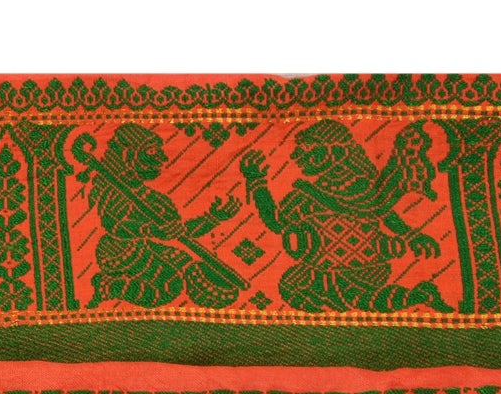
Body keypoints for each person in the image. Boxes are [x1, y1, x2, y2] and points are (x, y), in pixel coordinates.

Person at [241, 119, 448, 312]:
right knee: (291, 287)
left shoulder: (361, 187)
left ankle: (419, 296)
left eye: (307, 148)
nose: (296, 156)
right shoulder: (305, 194)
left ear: (335, 151)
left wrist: (411, 235)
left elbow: (381, 210)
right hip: (322, 268)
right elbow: (278, 222)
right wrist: (257, 181)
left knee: (356, 298)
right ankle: (417, 296)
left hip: (365, 267)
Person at [84, 124, 243, 308]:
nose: (163, 158)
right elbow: (115, 225)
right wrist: (151, 230)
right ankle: (109, 286)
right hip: (118, 251)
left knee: (187, 263)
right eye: (151, 151)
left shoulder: (156, 200)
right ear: (128, 155)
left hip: (145, 246)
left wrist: (212, 219)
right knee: (169, 286)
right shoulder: (115, 192)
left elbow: (180, 231)